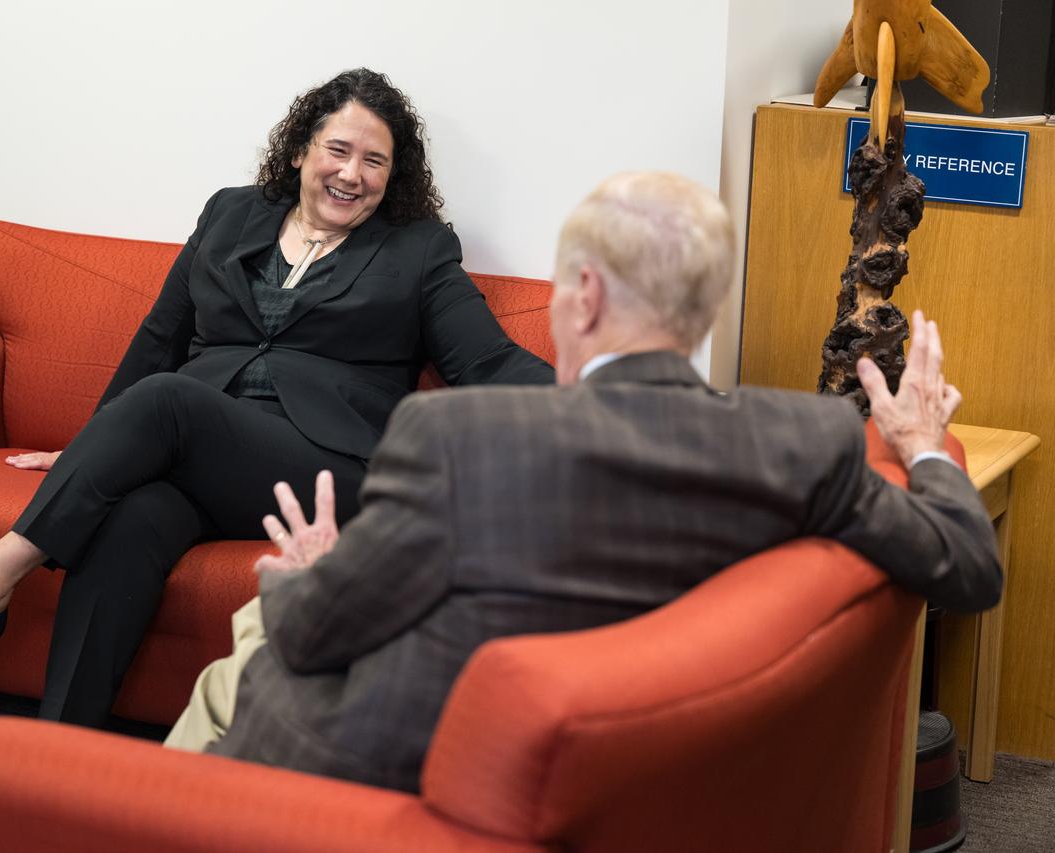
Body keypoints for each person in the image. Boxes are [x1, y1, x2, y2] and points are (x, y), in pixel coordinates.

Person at [163, 171, 1002, 794]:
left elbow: (316, 638)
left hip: (433, 777)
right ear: (705, 311)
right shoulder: (804, 442)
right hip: (655, 786)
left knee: (251, 640)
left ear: (586, 296)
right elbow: (968, 566)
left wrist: (305, 580)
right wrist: (924, 444)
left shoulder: (452, 439)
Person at [0, 68, 552, 726]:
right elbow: (160, 336)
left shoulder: (417, 249)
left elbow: (486, 359)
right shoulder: (231, 213)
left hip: (330, 467)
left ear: (393, 176)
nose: (351, 173)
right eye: (338, 150)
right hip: (207, 459)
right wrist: (96, 448)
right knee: (131, 519)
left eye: (374, 160)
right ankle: (53, 752)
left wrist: (610, 400)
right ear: (302, 148)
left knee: (171, 401)